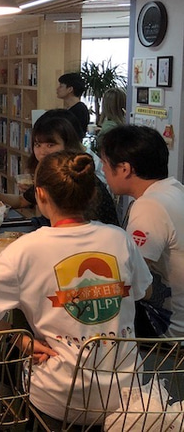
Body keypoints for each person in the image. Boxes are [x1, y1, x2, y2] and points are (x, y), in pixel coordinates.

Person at [0, 151, 152, 428]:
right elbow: (144, 291)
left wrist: (19, 338)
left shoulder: (26, 249)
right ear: (92, 195)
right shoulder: (119, 239)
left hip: (59, 399)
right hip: (127, 399)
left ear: (40, 194)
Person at [99, 125, 184, 338]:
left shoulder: (149, 206)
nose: (103, 171)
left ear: (125, 169)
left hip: (166, 326)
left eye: (105, 163)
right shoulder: (174, 188)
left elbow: (130, 276)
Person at [0, 113, 119, 226]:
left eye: (50, 145)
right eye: (38, 145)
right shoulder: (51, 172)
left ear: (68, 145)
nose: (42, 152)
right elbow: (22, 201)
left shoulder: (76, 176)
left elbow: (76, 226)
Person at [57, 72, 90, 136]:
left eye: (61, 86)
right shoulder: (70, 109)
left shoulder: (79, 110)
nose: (57, 89)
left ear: (70, 89)